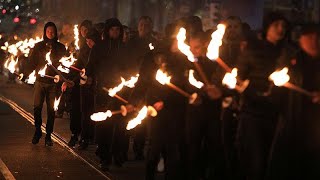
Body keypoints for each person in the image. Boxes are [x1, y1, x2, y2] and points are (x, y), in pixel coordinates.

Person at [236, 12, 289, 179]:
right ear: (267, 27)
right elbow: (239, 79)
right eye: (276, 25)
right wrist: (252, 93)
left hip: (278, 114)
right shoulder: (253, 49)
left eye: (284, 26)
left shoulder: (288, 52)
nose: (280, 29)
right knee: (255, 162)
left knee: (274, 162)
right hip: (254, 114)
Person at [22, 22, 66, 146]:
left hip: (53, 84)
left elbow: (64, 65)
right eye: (48, 31)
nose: (50, 33)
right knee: (37, 107)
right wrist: (25, 73)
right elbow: (32, 62)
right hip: (40, 82)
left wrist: (64, 79)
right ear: (45, 32)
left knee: (51, 110)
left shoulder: (61, 48)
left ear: (56, 33)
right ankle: (37, 131)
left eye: (53, 31)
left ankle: (48, 135)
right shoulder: (38, 46)